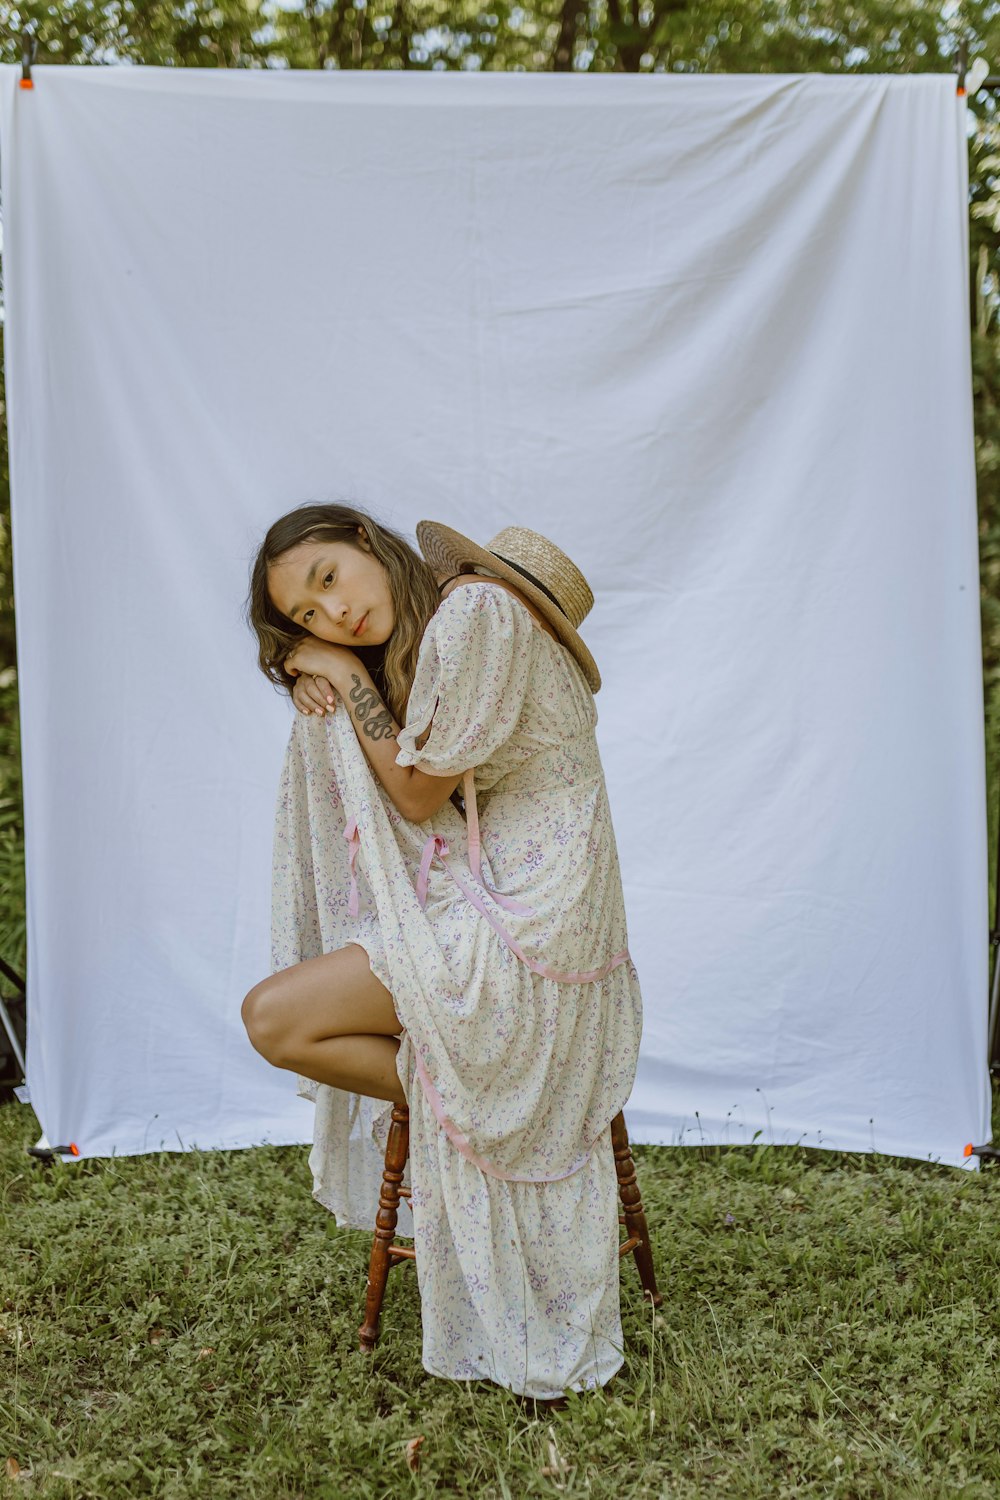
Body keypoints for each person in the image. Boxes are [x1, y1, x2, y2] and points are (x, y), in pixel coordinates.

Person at [241, 502, 643, 1401]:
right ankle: (460, 1087)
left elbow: (417, 799)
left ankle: (462, 1089)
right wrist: (340, 682)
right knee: (274, 1019)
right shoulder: (437, 648)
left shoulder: (479, 611)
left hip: (540, 928)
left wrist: (343, 676)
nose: (331, 613)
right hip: (503, 908)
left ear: (367, 541)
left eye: (328, 579)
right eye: (307, 616)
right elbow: (422, 787)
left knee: (274, 1016)